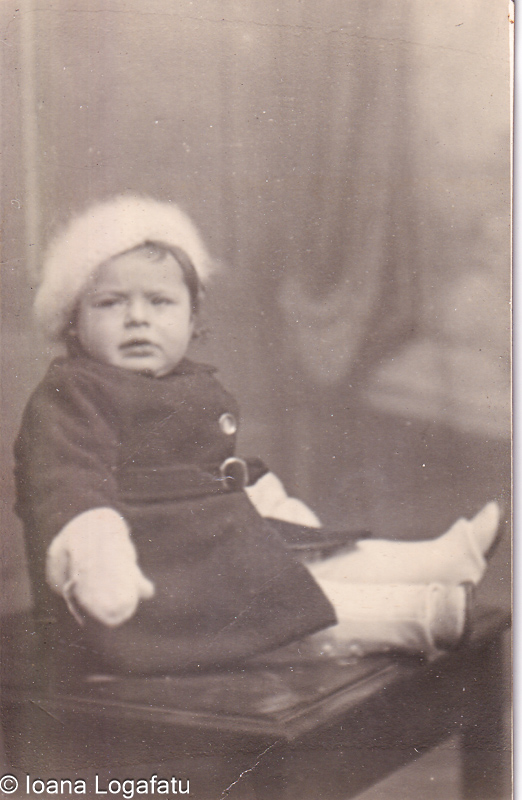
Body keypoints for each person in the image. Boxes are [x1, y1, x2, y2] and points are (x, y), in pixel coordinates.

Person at [14, 195, 501, 676]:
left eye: (159, 302)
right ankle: (416, 616)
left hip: (206, 548)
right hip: (141, 588)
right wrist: (98, 554)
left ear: (191, 318)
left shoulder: (190, 382)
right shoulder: (73, 392)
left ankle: (439, 560)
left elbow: (204, 467)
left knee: (310, 560)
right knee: (283, 601)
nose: (137, 317)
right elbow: (66, 480)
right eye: (110, 303)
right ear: (73, 323)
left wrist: (258, 493)